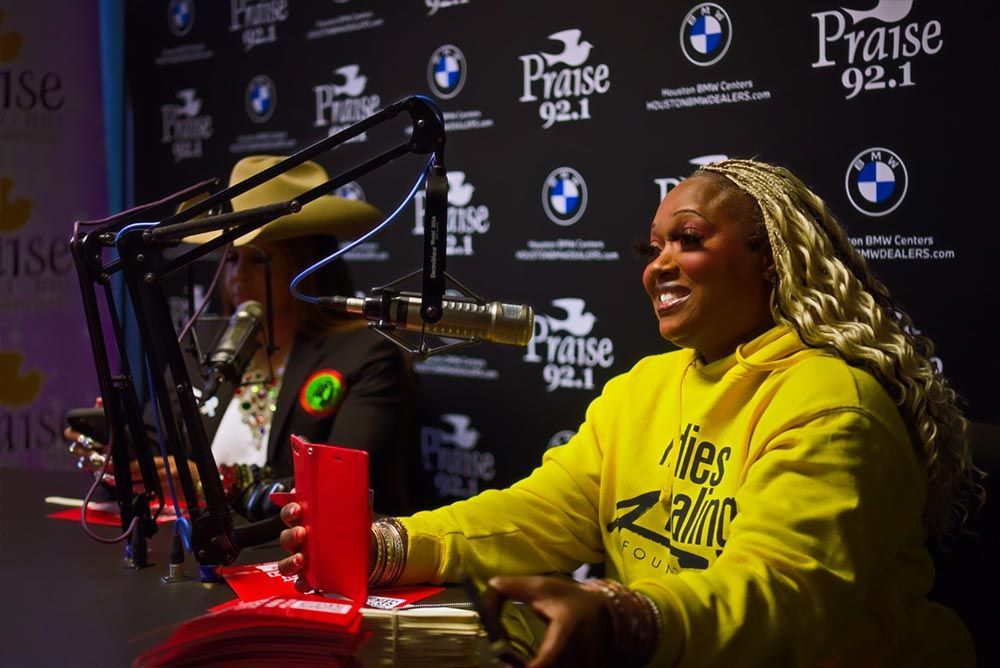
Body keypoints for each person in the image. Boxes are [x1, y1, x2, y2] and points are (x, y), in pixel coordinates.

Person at [278, 159, 981, 666]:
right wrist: (386, 545)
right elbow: (538, 513)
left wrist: (629, 618)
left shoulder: (832, 401)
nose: (658, 265)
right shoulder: (641, 387)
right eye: (652, 248)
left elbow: (782, 594)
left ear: (774, 262)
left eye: (690, 239)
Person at [65, 155, 421, 517]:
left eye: (258, 260)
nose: (238, 277)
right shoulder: (201, 347)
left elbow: (336, 479)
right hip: (198, 549)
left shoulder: (366, 354)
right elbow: (158, 455)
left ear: (307, 267)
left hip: (298, 551)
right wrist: (118, 454)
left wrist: (212, 482)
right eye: (231, 260)